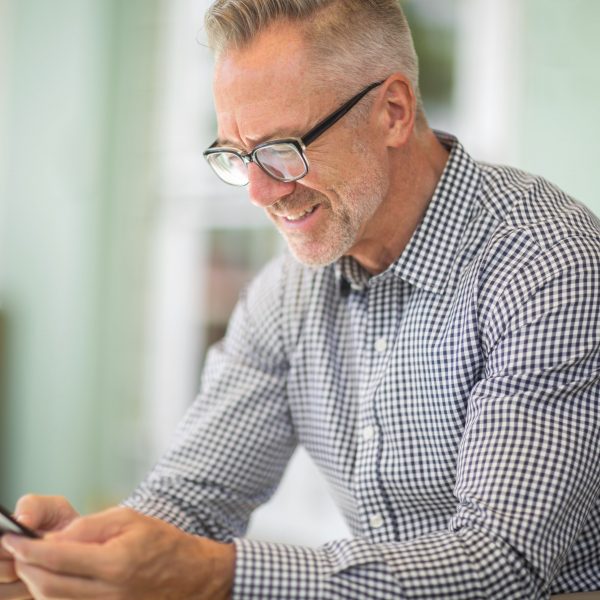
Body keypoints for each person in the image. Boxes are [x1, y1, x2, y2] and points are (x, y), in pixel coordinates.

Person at [1, 0, 599, 598]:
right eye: (237, 157)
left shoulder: (547, 266)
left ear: (393, 112)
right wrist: (84, 553)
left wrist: (218, 575)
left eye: (283, 148)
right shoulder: (288, 292)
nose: (259, 194)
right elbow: (190, 500)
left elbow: (501, 565)